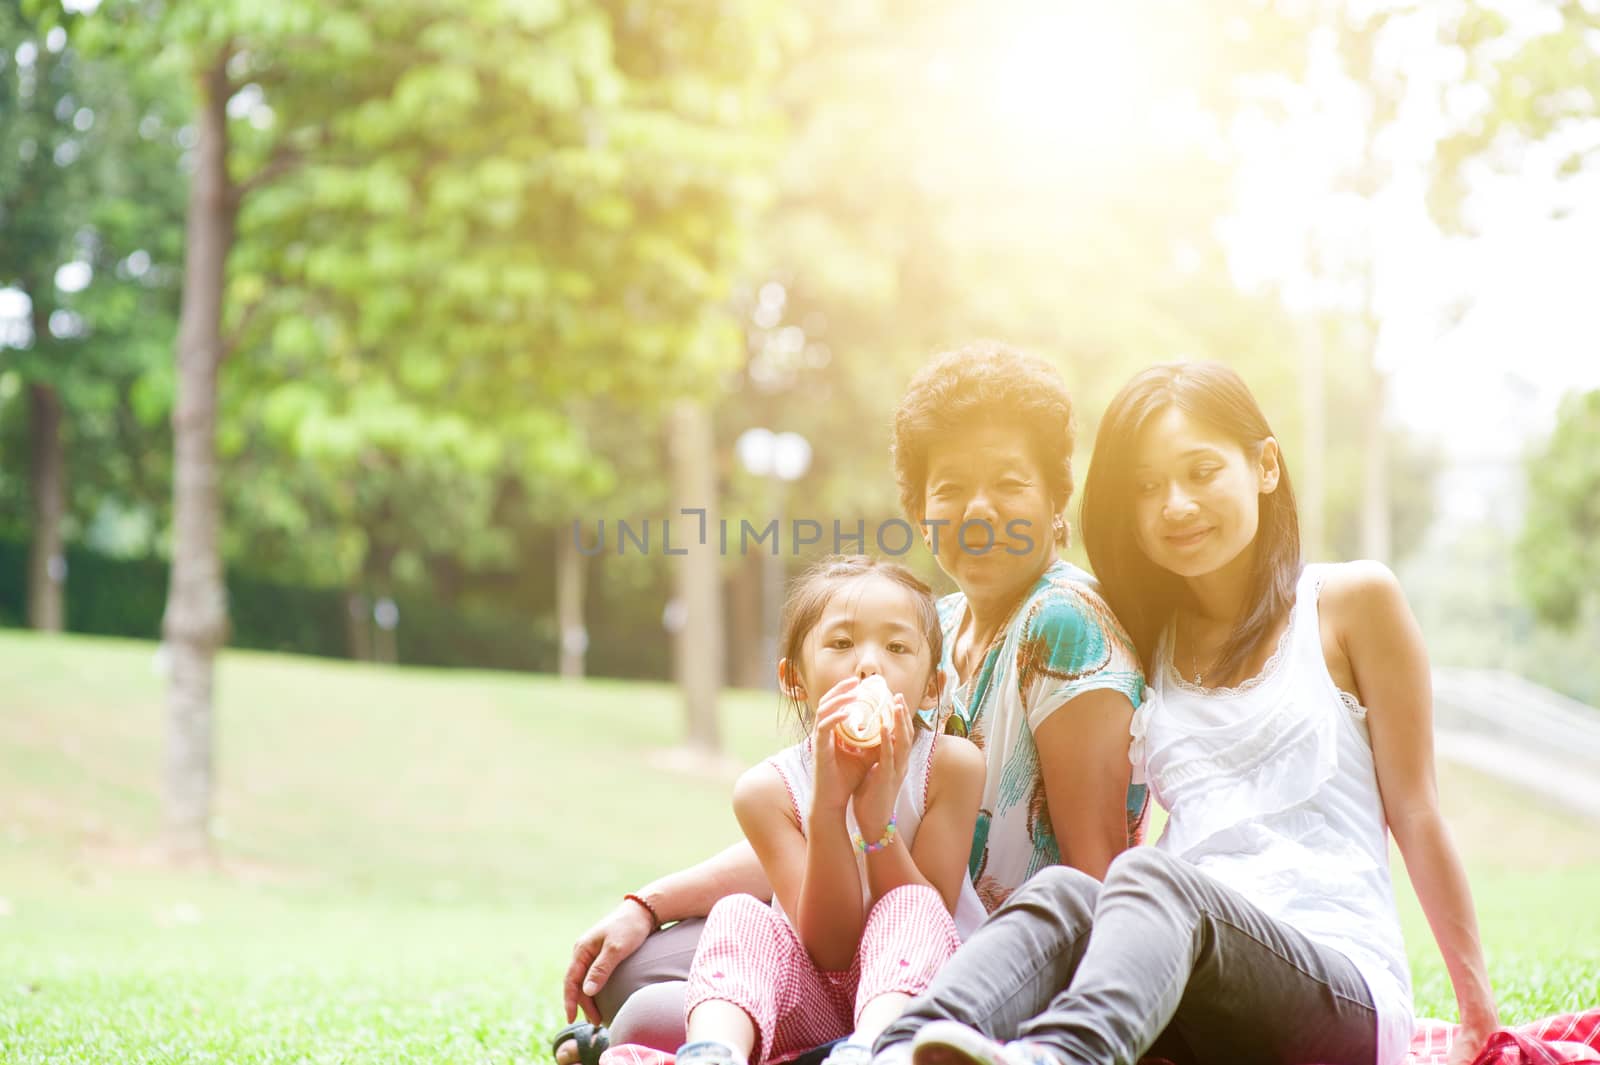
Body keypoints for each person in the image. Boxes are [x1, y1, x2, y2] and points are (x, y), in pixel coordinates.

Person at [873, 361, 1498, 1065]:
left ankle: (1066, 1057)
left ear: (1265, 467)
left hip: (1336, 989)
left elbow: (1416, 811)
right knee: (1069, 892)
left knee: (1149, 878)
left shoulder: (1352, 603)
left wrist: (1479, 1014)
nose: (1175, 504)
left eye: (1201, 471)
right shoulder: (1148, 639)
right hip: (1185, 975)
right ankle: (891, 1050)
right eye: (1147, 486)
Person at [552, 343, 1149, 1065]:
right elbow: (813, 819)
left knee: (655, 1004)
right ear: (922, 512)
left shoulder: (1063, 623)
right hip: (864, 931)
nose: (980, 508)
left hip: (986, 965)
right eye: (951, 486)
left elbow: (1096, 876)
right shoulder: (940, 625)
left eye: (1009, 482)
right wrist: (647, 903)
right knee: (643, 972)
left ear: (1057, 501)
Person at [604, 556, 986, 1065]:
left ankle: (871, 1051)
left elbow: (929, 922)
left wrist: (877, 825)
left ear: (933, 686)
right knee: (739, 914)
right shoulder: (767, 791)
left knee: (911, 904)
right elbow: (828, 949)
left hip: (922, 996)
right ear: (794, 679)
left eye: (896, 647)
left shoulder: (950, 766)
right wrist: (827, 810)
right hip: (817, 997)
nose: (868, 664)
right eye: (842, 644)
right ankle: (715, 1053)